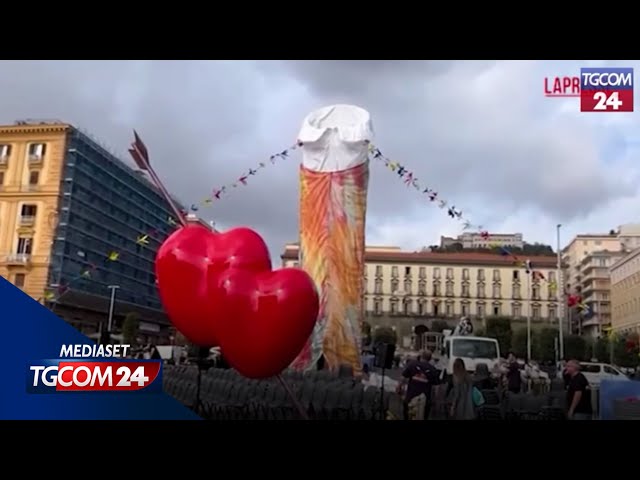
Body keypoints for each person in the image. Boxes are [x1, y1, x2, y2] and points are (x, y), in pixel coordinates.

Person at [400, 350, 439, 420]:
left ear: (421, 356)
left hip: (411, 397)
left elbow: (403, 378)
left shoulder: (412, 365)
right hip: (425, 400)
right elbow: (436, 388)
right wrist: (434, 400)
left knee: (407, 415)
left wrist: (399, 388)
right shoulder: (433, 370)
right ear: (430, 359)